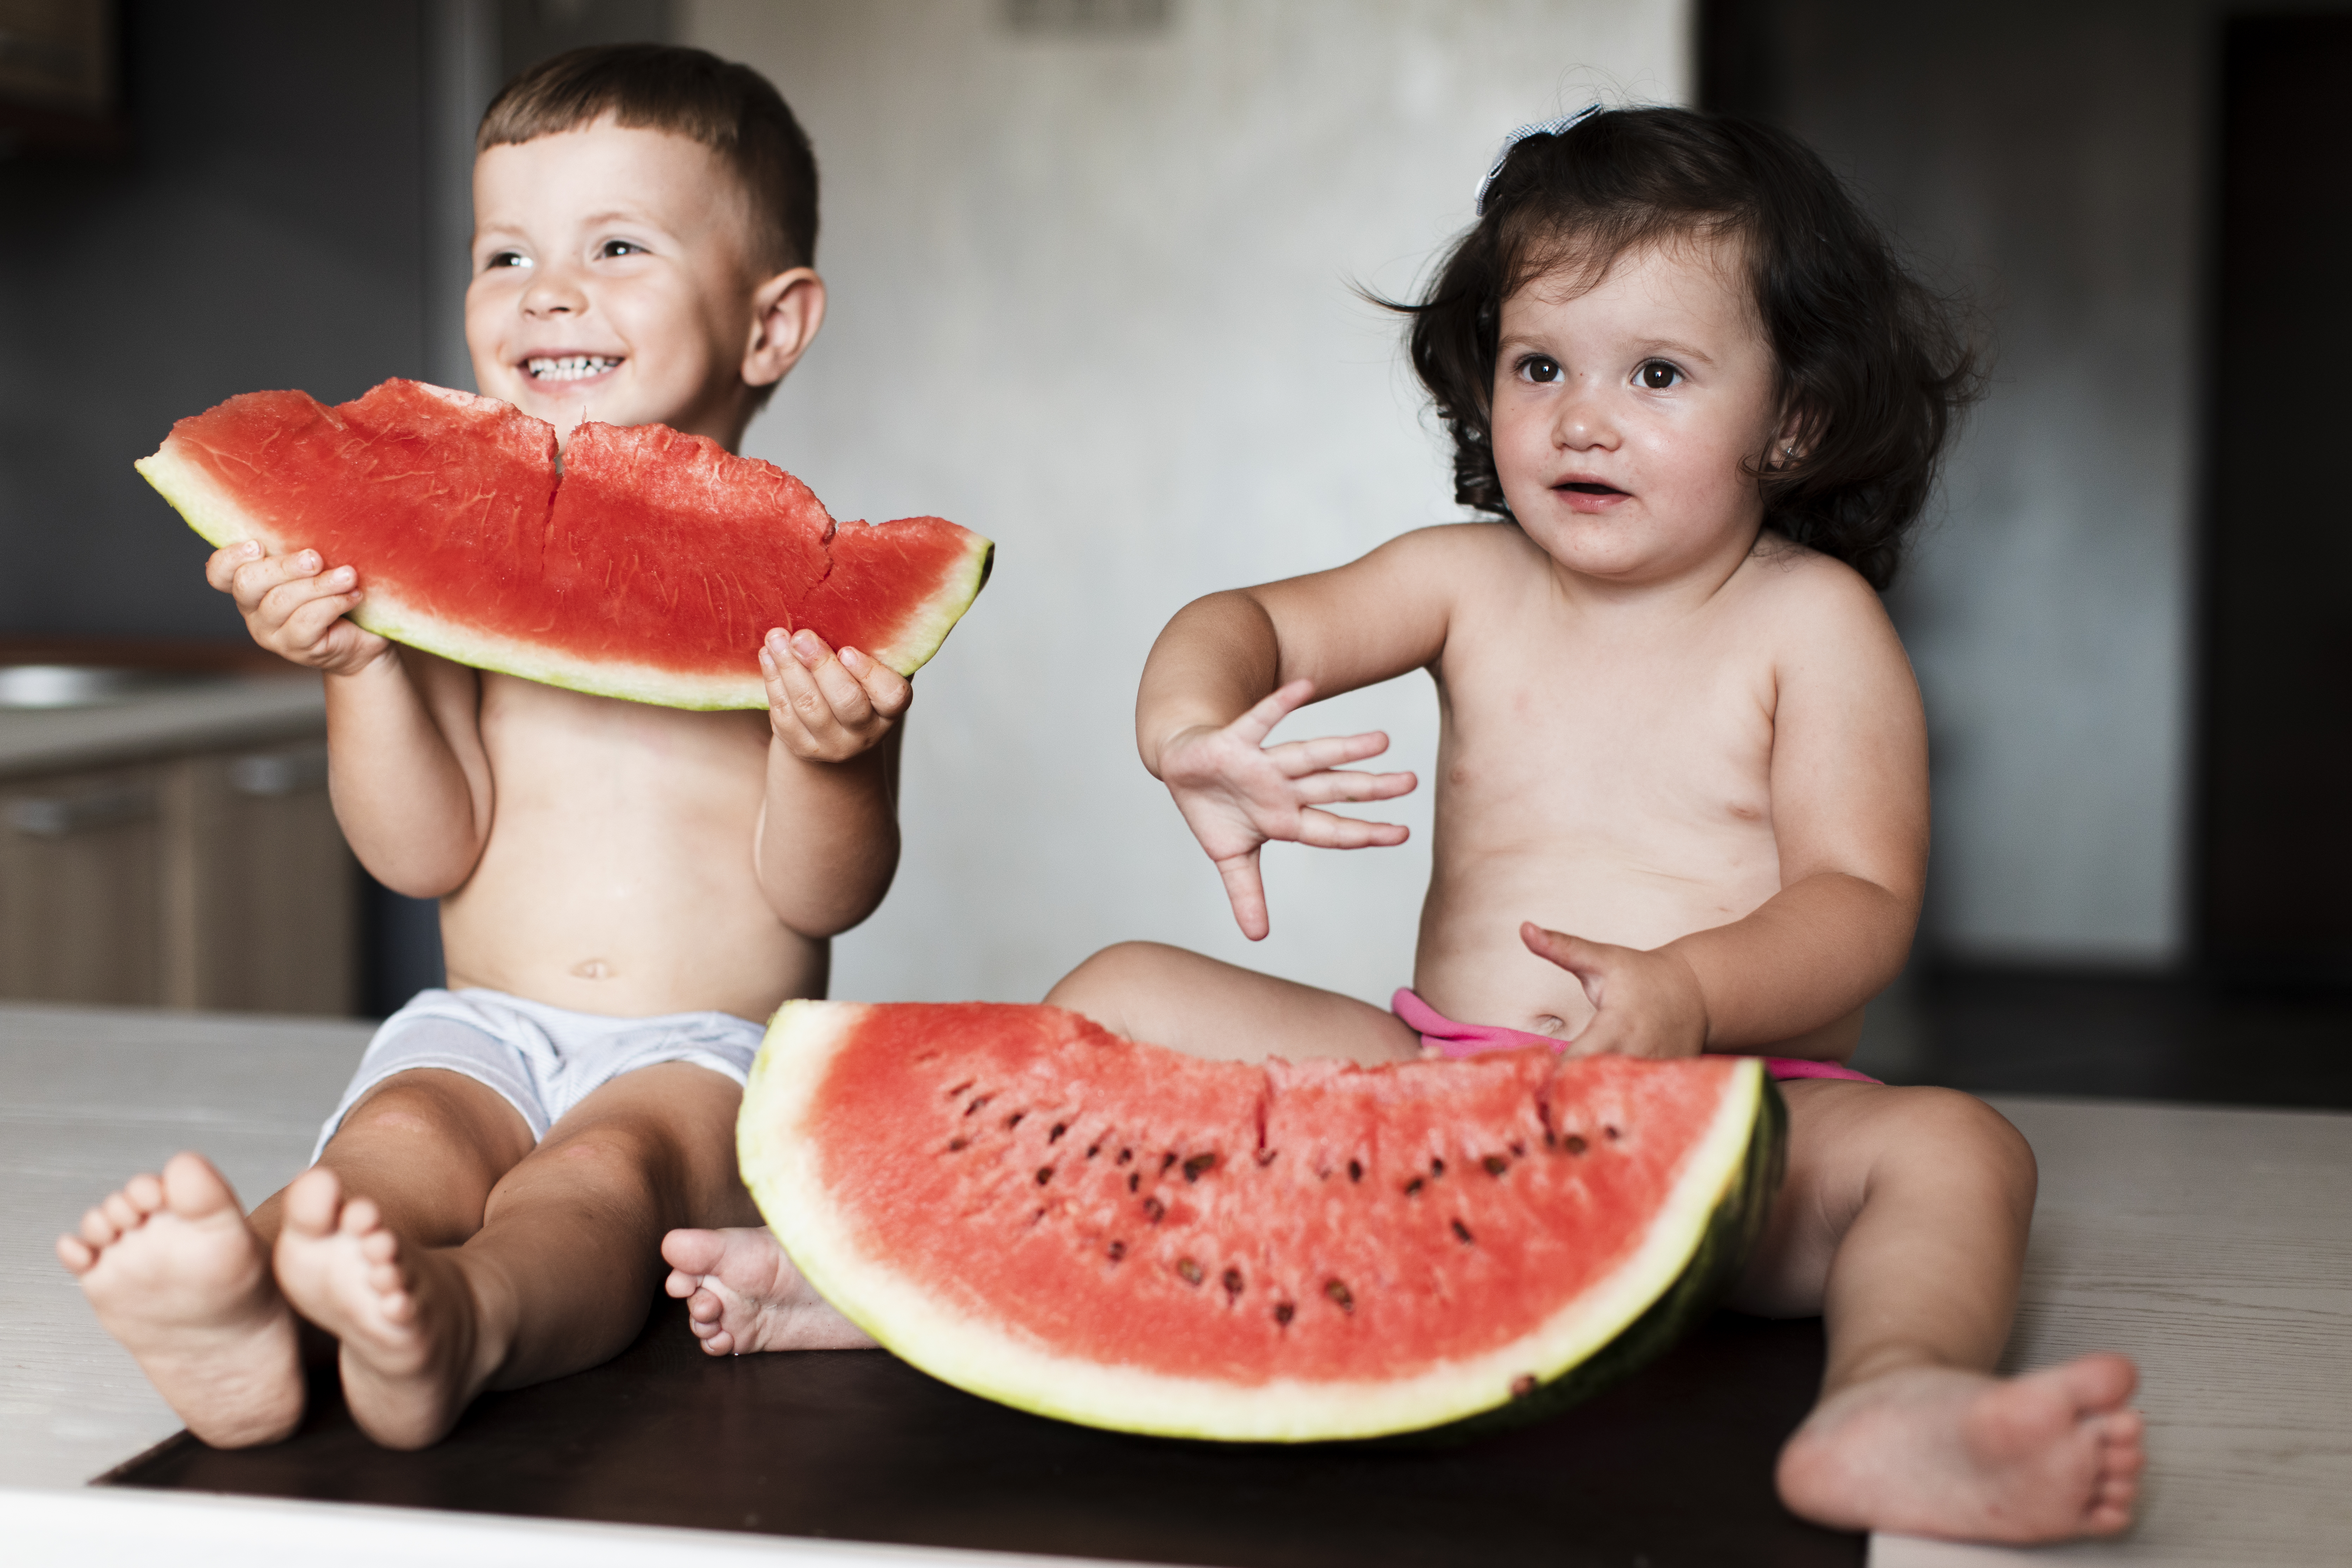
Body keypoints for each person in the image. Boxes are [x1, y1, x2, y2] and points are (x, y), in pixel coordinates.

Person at [663, 107, 2145, 1543]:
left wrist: (1690, 991)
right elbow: (1236, 621)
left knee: (1954, 1151)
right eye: (1539, 362)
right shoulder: (1466, 579)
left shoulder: (1814, 629)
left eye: (1658, 375)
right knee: (1117, 988)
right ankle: (867, 1283)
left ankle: (1893, 1404)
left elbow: (1857, 900)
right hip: (1432, 1082)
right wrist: (1193, 735)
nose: (1580, 415)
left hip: (1728, 1105)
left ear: (1796, 418)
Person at [57, 43, 893, 1452]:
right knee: (397, 1145)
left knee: (603, 1183)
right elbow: (423, 848)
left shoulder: (809, 596)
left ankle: (465, 1323)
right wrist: (361, 661)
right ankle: (245, 1310)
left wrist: (830, 755)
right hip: (476, 1023)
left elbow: (825, 896)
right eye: (503, 253)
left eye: (616, 245)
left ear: (772, 325)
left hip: (694, 1054)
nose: (546, 290)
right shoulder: (448, 573)